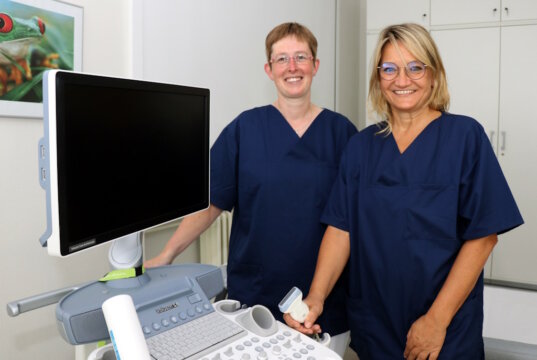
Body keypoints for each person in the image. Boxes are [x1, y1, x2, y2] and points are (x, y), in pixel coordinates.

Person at [284, 23, 524, 360]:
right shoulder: (361, 146)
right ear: (378, 79)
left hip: (445, 326)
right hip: (376, 323)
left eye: (415, 67)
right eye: (389, 69)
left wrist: (436, 321)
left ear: (434, 75)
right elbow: (340, 230)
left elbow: (483, 236)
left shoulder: (465, 137)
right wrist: (317, 296)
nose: (402, 79)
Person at [144, 22, 357, 355]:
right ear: (269, 69)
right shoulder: (244, 129)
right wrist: (167, 253)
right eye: (282, 59)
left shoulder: (343, 134)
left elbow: (350, 221)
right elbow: (211, 202)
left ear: (315, 66)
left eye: (301, 57)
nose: (292, 67)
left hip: (326, 300)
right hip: (256, 297)